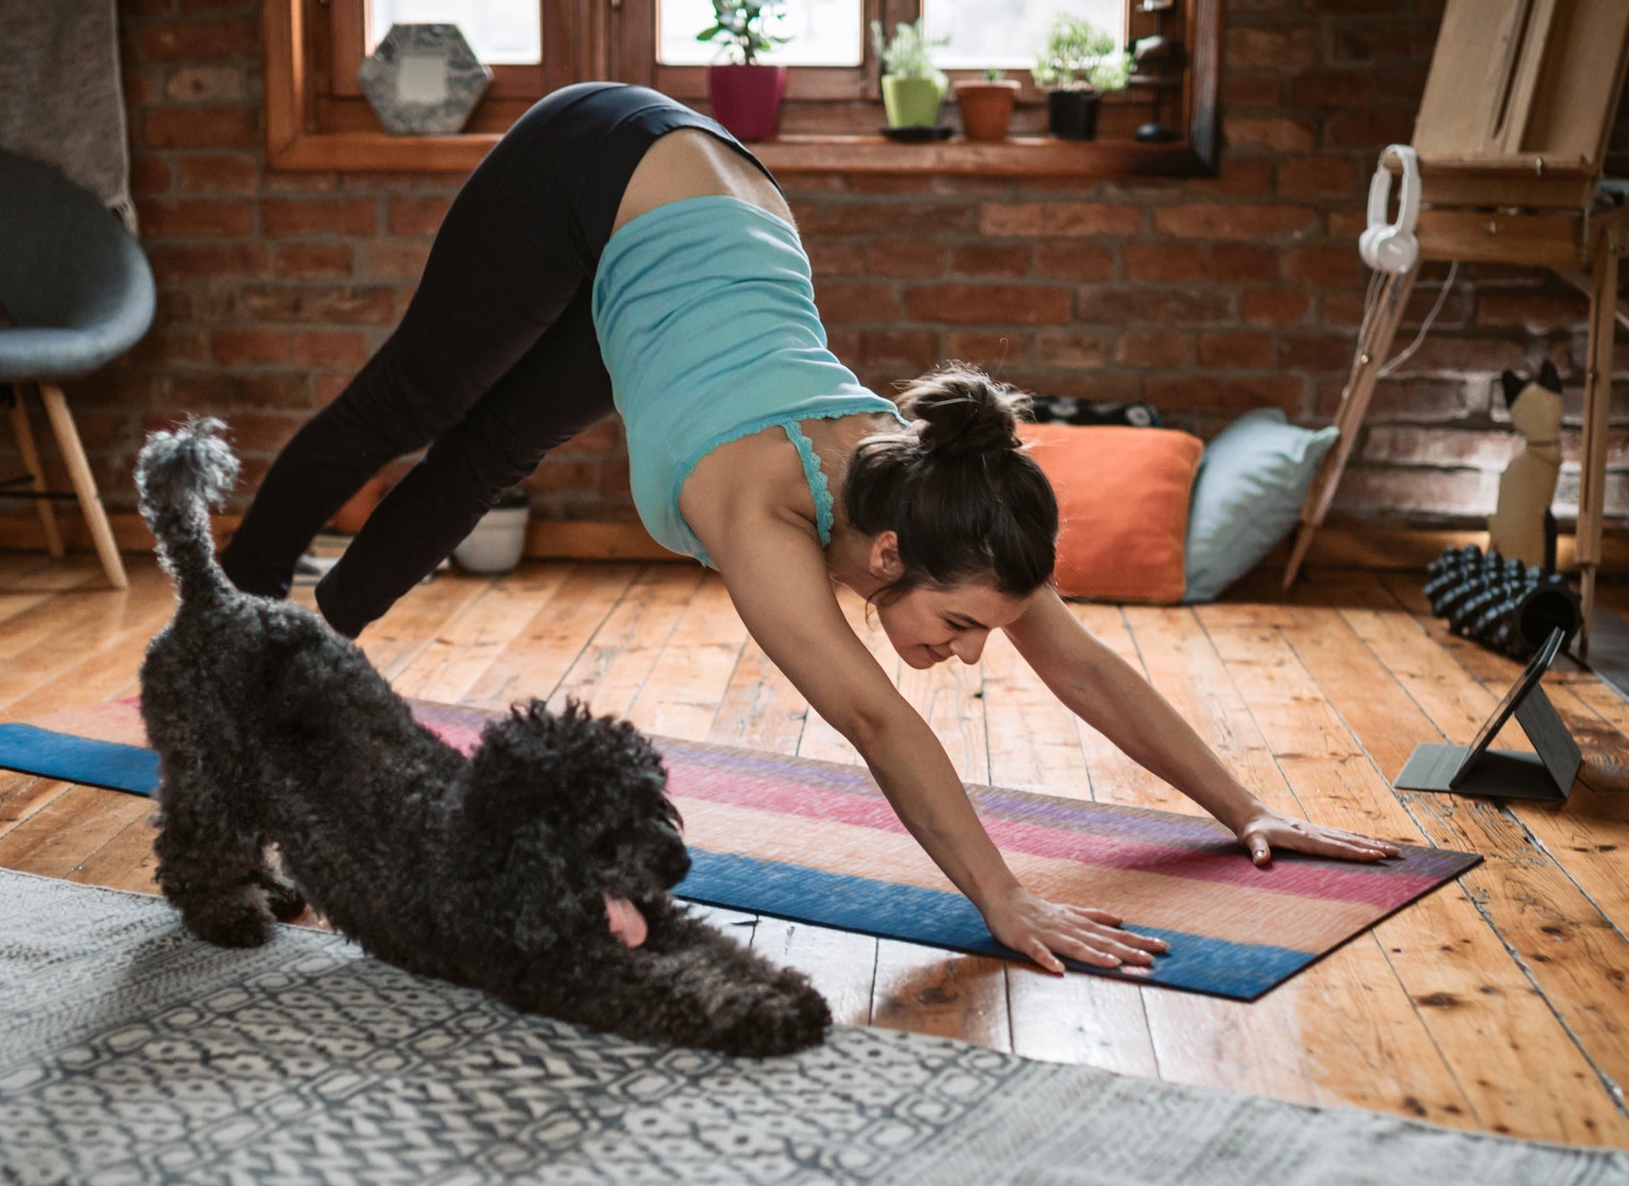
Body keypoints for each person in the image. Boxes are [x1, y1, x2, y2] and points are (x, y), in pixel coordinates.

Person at [219, 82, 1404, 974]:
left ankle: (306, 640)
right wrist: (1002, 898)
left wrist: (1240, 805)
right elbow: (877, 718)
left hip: (707, 215)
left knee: (491, 451)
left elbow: (1079, 659)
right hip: (599, 161)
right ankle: (230, 620)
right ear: (886, 558)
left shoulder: (943, 506)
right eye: (959, 625)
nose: (974, 651)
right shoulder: (761, 512)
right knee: (414, 407)